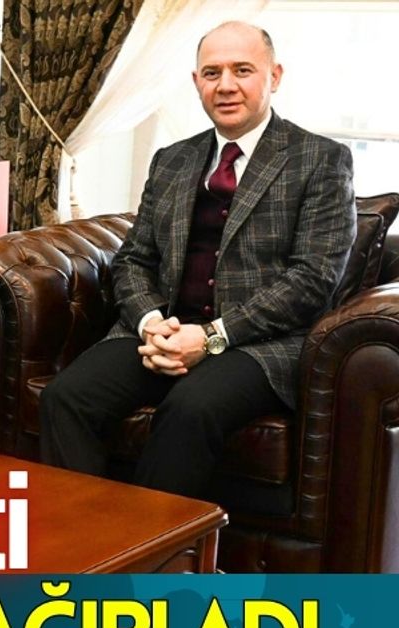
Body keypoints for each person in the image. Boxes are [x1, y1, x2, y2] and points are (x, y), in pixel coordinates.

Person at [38, 21, 355, 498]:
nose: (225, 85)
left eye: (242, 70)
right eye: (212, 73)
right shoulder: (172, 159)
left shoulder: (320, 159)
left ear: (274, 76)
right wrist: (151, 323)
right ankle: (88, 537)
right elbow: (133, 259)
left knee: (190, 410)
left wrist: (209, 338)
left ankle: (147, 544)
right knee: (66, 397)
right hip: (164, 329)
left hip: (259, 345)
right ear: (196, 82)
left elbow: (313, 280)